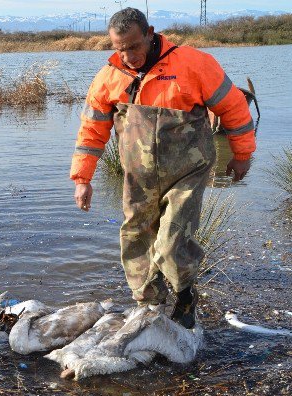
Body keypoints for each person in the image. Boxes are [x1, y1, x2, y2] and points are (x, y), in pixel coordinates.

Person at [70, 8, 256, 328]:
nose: (127, 56)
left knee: (171, 242)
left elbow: (234, 108)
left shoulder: (194, 63)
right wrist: (82, 178)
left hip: (188, 171)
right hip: (138, 175)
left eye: (133, 46)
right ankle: (150, 304)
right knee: (135, 236)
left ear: (149, 33)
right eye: (119, 49)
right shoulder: (108, 77)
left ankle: (184, 295)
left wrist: (242, 154)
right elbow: (92, 130)